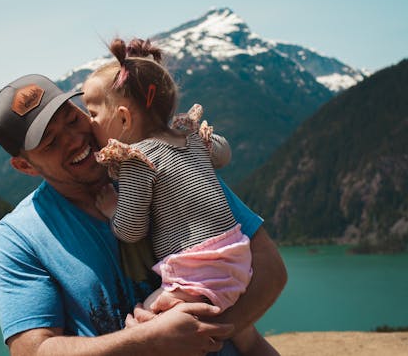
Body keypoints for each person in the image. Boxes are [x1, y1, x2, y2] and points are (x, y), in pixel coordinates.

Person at [0, 73, 287, 356]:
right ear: (24, 166)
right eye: (51, 142)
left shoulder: (162, 158)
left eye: (72, 118)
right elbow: (32, 349)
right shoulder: (19, 237)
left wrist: (200, 334)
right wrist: (150, 342)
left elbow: (270, 268)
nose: (74, 139)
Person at [82, 38, 278, 356]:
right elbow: (223, 153)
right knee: (249, 340)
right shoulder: (188, 136)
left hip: (196, 271)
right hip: (236, 256)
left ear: (123, 118)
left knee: (144, 327)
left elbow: (132, 230)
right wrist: (205, 145)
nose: (88, 122)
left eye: (93, 113)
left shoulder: (137, 159)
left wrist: (112, 210)